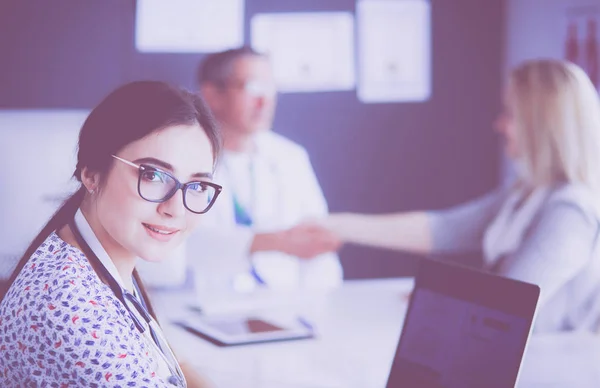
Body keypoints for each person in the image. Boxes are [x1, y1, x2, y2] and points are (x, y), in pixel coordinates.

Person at [320, 59, 600, 333]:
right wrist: (336, 225)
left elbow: (511, 304)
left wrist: (437, 301)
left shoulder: (571, 212)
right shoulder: (526, 192)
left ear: (543, 126)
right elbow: (444, 229)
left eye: (511, 115)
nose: (499, 125)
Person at [0, 81, 222, 387]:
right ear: (91, 172)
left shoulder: (96, 261)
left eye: (196, 186)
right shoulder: (70, 308)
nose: (176, 209)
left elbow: (171, 360)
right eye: (153, 175)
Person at [188, 47, 342, 290]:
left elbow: (320, 249)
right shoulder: (184, 157)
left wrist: (314, 310)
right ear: (213, 95)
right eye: (252, 88)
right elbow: (179, 247)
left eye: (269, 87)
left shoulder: (291, 158)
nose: (264, 100)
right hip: (200, 303)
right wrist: (273, 242)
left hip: (282, 306)